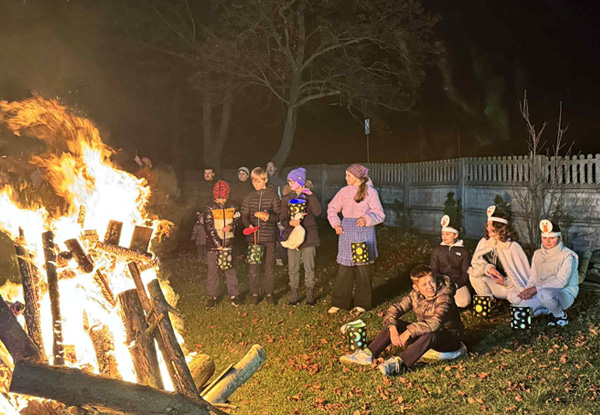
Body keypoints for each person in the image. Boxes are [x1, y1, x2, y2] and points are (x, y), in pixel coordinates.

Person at [340, 265, 464, 376]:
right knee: (396, 323)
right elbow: (395, 309)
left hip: (449, 340)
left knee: (432, 333)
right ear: (416, 287)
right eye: (424, 285)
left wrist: (409, 331)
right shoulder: (415, 295)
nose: (430, 287)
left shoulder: (445, 297)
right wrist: (392, 328)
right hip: (425, 333)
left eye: (432, 282)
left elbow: (435, 322)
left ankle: (399, 363)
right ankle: (368, 354)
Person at [327, 163, 385, 314]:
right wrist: (336, 224)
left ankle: (362, 303)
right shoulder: (344, 191)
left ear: (358, 177)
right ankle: (340, 302)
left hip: (364, 232)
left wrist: (367, 219)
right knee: (344, 268)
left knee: (363, 269)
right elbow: (332, 209)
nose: (345, 178)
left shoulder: (371, 192)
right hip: (346, 231)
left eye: (349, 175)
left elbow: (380, 214)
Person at [514, 220, 579, 327]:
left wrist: (534, 289)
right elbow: (533, 276)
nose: (547, 241)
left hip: (563, 293)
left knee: (544, 294)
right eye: (544, 238)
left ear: (560, 238)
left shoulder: (568, 255)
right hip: (540, 292)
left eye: (552, 238)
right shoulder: (537, 254)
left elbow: (561, 282)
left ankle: (560, 316)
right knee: (520, 310)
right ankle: (547, 310)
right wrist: (527, 291)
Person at [469, 205, 530, 305]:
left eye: (491, 225)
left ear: (500, 227)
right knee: (474, 276)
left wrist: (505, 282)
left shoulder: (513, 247)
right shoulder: (485, 242)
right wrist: (489, 269)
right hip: (493, 285)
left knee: (518, 299)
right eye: (487, 225)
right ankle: (489, 303)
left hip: (510, 288)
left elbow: (522, 277)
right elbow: (476, 262)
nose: (488, 228)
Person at [280, 167, 322, 306]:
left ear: (300, 181)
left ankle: (309, 293)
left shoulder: (310, 196)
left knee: (309, 266)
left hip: (309, 236)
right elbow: (282, 218)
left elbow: (318, 212)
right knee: (293, 267)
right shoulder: (287, 198)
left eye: (293, 181)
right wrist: (289, 223)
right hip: (293, 237)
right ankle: (294, 292)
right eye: (289, 181)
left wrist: (311, 195)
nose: (290, 184)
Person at [241, 167, 281, 305]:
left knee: (269, 268)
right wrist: (248, 225)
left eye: (259, 181)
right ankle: (254, 293)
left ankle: (269, 294)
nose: (256, 184)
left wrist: (268, 217)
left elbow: (278, 216)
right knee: (253, 268)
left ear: (265, 180)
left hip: (268, 237)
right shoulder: (249, 196)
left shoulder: (273, 196)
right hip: (254, 239)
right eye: (253, 181)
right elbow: (244, 215)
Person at [203, 180, 242, 308]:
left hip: (228, 243)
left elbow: (239, 220)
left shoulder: (233, 206)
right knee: (213, 271)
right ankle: (212, 296)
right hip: (213, 246)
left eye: (223, 198)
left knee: (230, 269)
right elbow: (208, 227)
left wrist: (232, 226)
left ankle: (234, 295)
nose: (221, 200)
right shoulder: (210, 207)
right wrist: (217, 244)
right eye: (218, 198)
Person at [430, 215, 472, 308]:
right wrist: (439, 282)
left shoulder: (464, 252)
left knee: (464, 302)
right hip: (441, 282)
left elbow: (466, 273)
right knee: (434, 301)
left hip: (456, 283)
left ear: (455, 235)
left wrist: (456, 284)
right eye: (442, 234)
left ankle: (453, 301)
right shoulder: (437, 250)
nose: (444, 237)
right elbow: (433, 268)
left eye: (448, 234)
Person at [194, 167, 218, 260]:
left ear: (213, 174)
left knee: (212, 233)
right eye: (205, 173)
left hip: (213, 213)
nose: (207, 175)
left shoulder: (216, 186)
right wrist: (197, 211)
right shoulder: (200, 185)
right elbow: (196, 198)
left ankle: (212, 253)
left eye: (209, 173)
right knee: (202, 234)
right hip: (202, 212)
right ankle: (202, 254)